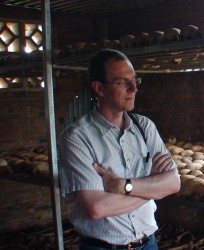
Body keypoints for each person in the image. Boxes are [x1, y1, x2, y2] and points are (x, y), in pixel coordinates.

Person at [59, 48, 180, 250]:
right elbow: (97, 207)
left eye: (135, 80)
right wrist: (153, 189)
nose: (134, 88)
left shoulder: (145, 127)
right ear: (99, 88)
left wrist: (124, 186)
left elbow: (174, 183)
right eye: (123, 82)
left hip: (148, 243)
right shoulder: (77, 137)